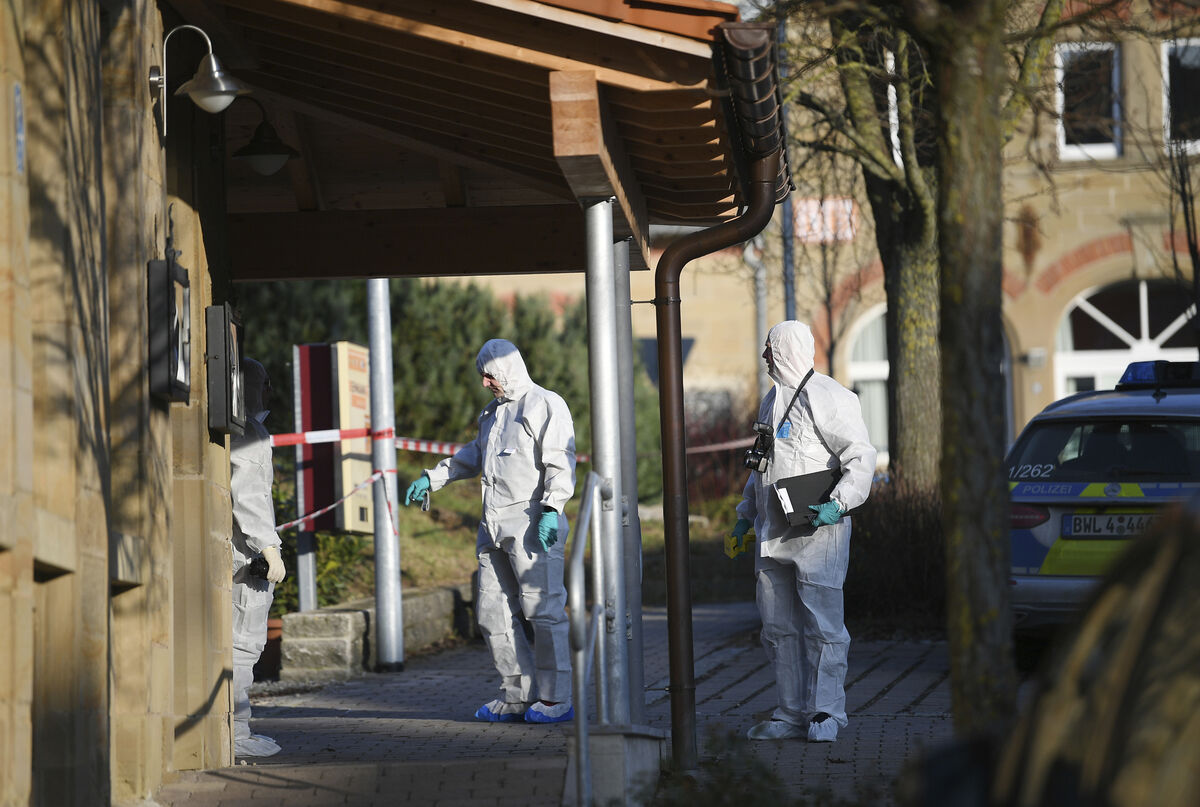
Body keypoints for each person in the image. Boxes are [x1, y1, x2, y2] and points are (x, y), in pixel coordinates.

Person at [404, 339, 576, 724]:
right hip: (493, 524)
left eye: (489, 375)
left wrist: (552, 507)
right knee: (492, 612)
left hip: (532, 522)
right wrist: (434, 478)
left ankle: (555, 698)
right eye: (482, 375)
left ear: (508, 369)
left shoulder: (546, 404)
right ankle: (517, 694)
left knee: (543, 610)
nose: (484, 383)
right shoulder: (493, 414)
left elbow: (560, 462)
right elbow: (474, 455)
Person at [731, 321, 876, 742]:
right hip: (772, 530)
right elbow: (760, 466)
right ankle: (790, 711)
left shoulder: (830, 397)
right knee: (777, 628)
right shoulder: (771, 402)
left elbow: (861, 456)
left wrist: (840, 502)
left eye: (769, 349)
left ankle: (826, 712)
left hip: (818, 531)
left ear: (785, 351)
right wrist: (745, 515)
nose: (764, 357)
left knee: (824, 626)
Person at [230, 357, 287, 756]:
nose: (270, 391)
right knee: (242, 646)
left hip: (243, 556)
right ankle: (235, 734)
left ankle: (238, 729)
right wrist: (268, 547)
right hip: (245, 560)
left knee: (245, 647)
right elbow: (248, 495)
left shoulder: (249, 429)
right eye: (265, 382)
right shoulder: (247, 434)